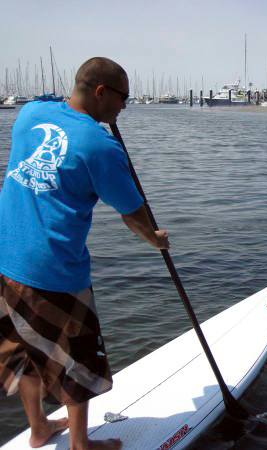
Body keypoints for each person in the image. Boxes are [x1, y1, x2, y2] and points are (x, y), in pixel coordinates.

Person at [0, 57, 169, 450]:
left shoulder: (30, 113)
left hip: (6, 257)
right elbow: (134, 215)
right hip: (54, 270)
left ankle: (39, 429)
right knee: (77, 360)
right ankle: (81, 444)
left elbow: (57, 108)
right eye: (123, 98)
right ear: (100, 93)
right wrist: (156, 239)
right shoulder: (100, 145)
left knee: (24, 351)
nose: (124, 107)